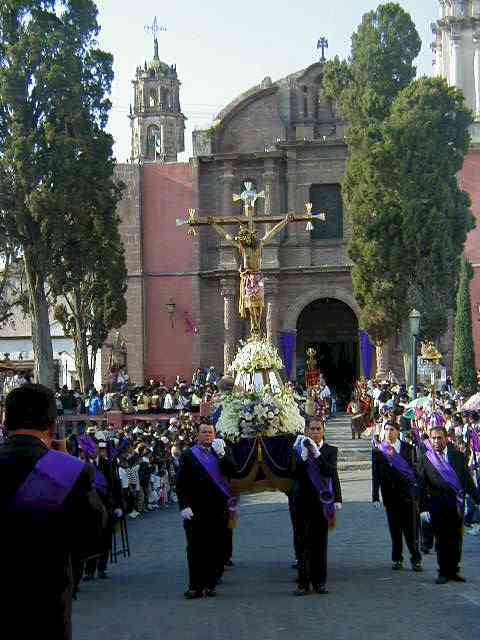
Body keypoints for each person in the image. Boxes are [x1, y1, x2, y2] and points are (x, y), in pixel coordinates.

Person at [0, 384, 107, 640]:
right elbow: (95, 533)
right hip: (45, 598)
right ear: (51, 424)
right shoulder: (68, 470)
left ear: (5, 420)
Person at [176, 421, 237, 599]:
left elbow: (233, 471)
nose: (208, 435)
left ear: (215, 434)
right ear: (197, 435)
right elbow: (180, 483)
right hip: (195, 509)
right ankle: (195, 586)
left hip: (218, 509)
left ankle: (210, 584)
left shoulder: (223, 451)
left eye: (210, 432)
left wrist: (222, 455)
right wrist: (183, 505)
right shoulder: (189, 455)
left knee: (215, 548)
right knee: (195, 549)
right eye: (204, 432)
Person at [418, 425, 480, 584]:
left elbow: (467, 480)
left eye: (439, 437)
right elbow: (421, 486)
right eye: (433, 438)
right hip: (437, 506)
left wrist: (477, 499)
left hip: (457, 506)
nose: (436, 441)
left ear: (446, 438)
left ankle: (454, 570)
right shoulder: (426, 459)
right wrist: (423, 508)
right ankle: (443, 571)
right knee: (442, 540)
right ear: (430, 440)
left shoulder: (458, 456)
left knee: (456, 540)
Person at [291, 417, 342, 595]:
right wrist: (303, 458)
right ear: (306, 431)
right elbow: (293, 474)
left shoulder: (330, 450)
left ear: (323, 431)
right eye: (311, 429)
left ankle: (320, 582)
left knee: (320, 543)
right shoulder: (298, 450)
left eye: (318, 429)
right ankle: (303, 583)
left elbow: (330, 472)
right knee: (303, 541)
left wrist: (338, 499)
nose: (314, 432)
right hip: (302, 501)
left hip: (322, 503)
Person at [372, 422, 422, 572]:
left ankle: (416, 559)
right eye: (386, 429)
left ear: (398, 431)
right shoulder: (378, 451)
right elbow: (376, 475)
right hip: (390, 495)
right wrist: (375, 496)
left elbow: (416, 471)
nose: (388, 432)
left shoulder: (409, 448)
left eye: (391, 429)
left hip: (408, 495)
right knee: (395, 530)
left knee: (411, 530)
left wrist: (418, 493)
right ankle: (397, 559)